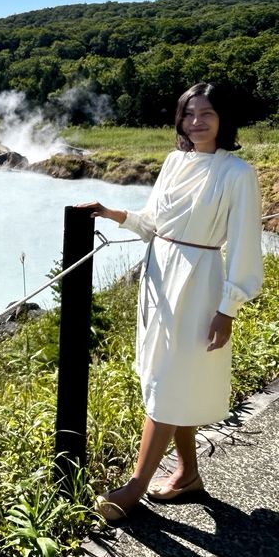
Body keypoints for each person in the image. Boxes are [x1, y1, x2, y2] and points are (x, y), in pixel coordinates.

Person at [79, 83, 264, 521]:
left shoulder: (237, 173)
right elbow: (153, 224)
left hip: (199, 282)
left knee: (167, 382)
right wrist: (115, 214)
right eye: (188, 114)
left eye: (207, 114)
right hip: (159, 278)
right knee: (166, 377)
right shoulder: (174, 161)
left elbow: (244, 246)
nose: (196, 122)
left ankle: (135, 487)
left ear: (224, 119)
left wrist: (228, 308)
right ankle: (188, 474)